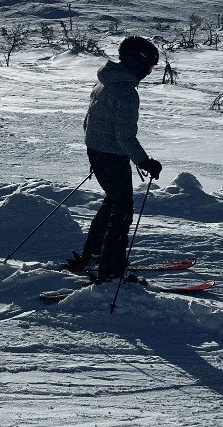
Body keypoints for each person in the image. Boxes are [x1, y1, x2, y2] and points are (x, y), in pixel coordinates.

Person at [63, 36, 163, 281]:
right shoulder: (126, 91)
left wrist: (96, 152)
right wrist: (145, 162)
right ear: (136, 63)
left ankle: (95, 254)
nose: (149, 73)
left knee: (113, 203)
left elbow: (89, 121)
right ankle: (111, 270)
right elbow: (125, 137)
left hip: (98, 152)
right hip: (111, 156)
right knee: (122, 210)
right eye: (149, 67)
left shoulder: (105, 81)